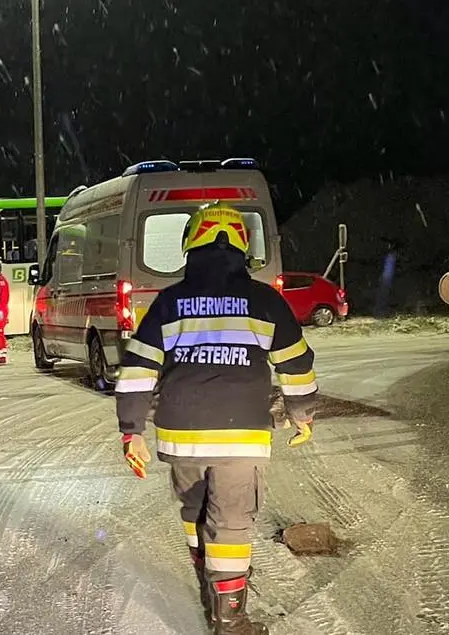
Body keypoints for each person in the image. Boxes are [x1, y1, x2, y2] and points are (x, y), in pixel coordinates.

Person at [114, 201, 317, 635]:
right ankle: (229, 618)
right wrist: (302, 415)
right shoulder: (266, 302)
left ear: (191, 245)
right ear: (243, 247)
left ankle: (211, 592)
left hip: (179, 436)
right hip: (241, 438)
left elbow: (136, 371)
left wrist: (131, 432)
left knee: (194, 509)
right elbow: (297, 366)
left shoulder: (169, 304)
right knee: (231, 522)